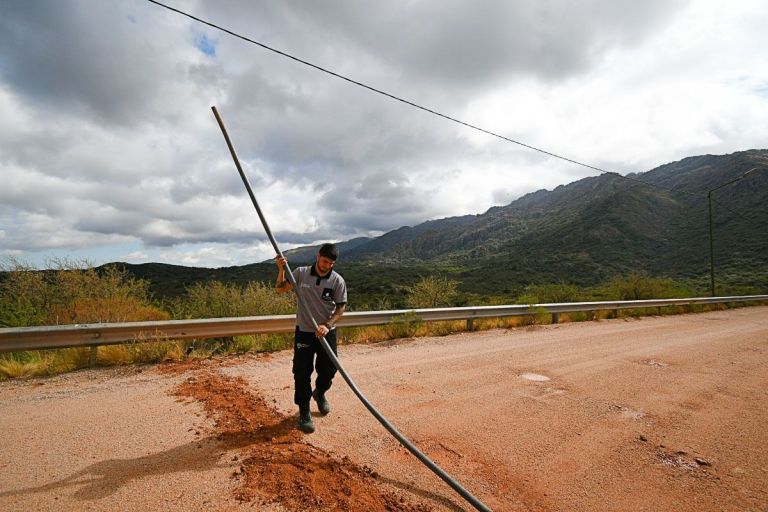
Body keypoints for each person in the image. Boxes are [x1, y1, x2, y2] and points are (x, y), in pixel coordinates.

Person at [275, 243, 347, 433]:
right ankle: (304, 411)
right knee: (301, 372)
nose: (327, 265)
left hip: (326, 332)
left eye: (331, 263)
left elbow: (341, 307)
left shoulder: (337, 280)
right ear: (318, 256)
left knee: (329, 369)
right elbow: (281, 289)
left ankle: (320, 393)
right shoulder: (301, 273)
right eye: (325, 261)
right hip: (305, 332)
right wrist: (281, 268)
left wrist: (327, 325)